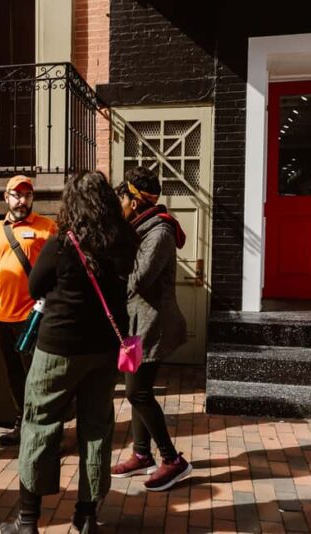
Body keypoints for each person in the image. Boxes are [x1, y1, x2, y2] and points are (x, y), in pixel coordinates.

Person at [0, 171, 138, 534]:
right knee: (96, 427)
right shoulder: (123, 240)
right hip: (105, 349)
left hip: (58, 347)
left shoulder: (63, 242)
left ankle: (27, 520)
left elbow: (35, 285)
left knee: (40, 424)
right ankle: (87, 515)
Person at [110, 166, 191, 491]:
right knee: (135, 393)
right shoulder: (138, 228)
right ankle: (142, 455)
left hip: (152, 326)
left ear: (136, 201)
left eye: (123, 198)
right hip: (134, 326)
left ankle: (173, 460)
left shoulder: (159, 233)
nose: (119, 204)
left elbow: (137, 281)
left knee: (137, 392)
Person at [0, 175, 57, 446]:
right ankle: (22, 425)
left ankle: (44, 430)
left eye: (28, 195)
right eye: (17, 195)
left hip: (34, 317)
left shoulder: (48, 228)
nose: (22, 201)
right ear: (6, 197)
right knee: (14, 375)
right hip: (2, 316)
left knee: (39, 377)